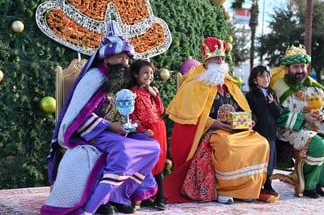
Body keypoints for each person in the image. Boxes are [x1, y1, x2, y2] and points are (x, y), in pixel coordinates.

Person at [41, 20, 160, 215]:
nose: (125, 63)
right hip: (92, 132)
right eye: (120, 58)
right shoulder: (94, 78)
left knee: (152, 147)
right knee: (122, 150)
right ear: (106, 59)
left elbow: (124, 110)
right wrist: (111, 126)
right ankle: (100, 202)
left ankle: (120, 195)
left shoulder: (120, 79)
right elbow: (79, 116)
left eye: (127, 59)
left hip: (117, 131)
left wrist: (135, 127)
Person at [164, 36, 275, 205]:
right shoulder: (194, 84)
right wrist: (213, 123)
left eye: (222, 58)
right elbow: (191, 116)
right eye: (217, 58)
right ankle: (224, 190)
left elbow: (243, 108)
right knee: (228, 146)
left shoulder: (229, 83)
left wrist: (249, 120)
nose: (221, 61)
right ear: (207, 61)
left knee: (261, 143)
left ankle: (248, 189)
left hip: (237, 130)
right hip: (212, 132)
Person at [270, 44, 324, 199]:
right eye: (296, 67)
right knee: (316, 144)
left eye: (302, 66)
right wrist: (303, 118)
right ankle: (309, 186)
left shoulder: (315, 87)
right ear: (287, 69)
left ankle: (322, 181)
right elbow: (277, 116)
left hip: (320, 128)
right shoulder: (279, 89)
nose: (300, 70)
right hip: (291, 131)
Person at [129, 59, 167, 210]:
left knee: (159, 163)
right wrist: (141, 130)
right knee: (148, 163)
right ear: (135, 74)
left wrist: (155, 94)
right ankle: (147, 196)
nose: (149, 76)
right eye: (145, 72)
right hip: (146, 132)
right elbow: (131, 116)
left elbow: (161, 110)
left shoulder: (152, 91)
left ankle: (160, 197)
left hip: (159, 129)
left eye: (151, 73)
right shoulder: (132, 93)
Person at [246, 65, 283, 199]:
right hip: (258, 132)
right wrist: (253, 120)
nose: (266, 79)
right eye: (262, 76)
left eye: (267, 76)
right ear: (255, 80)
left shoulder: (272, 93)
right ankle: (256, 184)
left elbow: (279, 112)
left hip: (271, 132)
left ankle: (268, 183)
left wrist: (272, 103)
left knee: (270, 159)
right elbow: (251, 112)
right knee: (258, 158)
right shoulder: (251, 95)